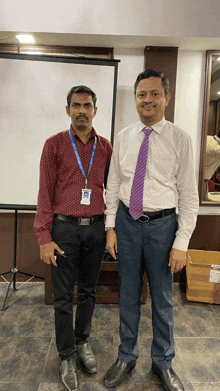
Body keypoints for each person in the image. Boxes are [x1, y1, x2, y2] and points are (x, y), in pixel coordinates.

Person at [104, 69, 199, 391]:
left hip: (163, 228)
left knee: (162, 300)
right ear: (135, 99)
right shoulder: (124, 136)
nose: (148, 99)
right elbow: (114, 183)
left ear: (166, 98)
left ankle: (163, 362)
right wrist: (110, 227)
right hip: (127, 226)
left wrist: (181, 243)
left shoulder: (180, 139)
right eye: (142, 94)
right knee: (128, 297)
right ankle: (126, 356)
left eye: (155, 94)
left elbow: (189, 194)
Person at [34, 85, 113, 391]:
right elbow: (44, 191)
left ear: (95, 110)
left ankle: (82, 343)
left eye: (88, 105)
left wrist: (110, 228)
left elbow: (114, 191)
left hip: (94, 228)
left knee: (90, 291)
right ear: (67, 110)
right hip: (63, 229)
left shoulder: (105, 147)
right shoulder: (54, 145)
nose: (82, 111)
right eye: (76, 105)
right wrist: (43, 235)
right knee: (64, 296)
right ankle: (66, 355)